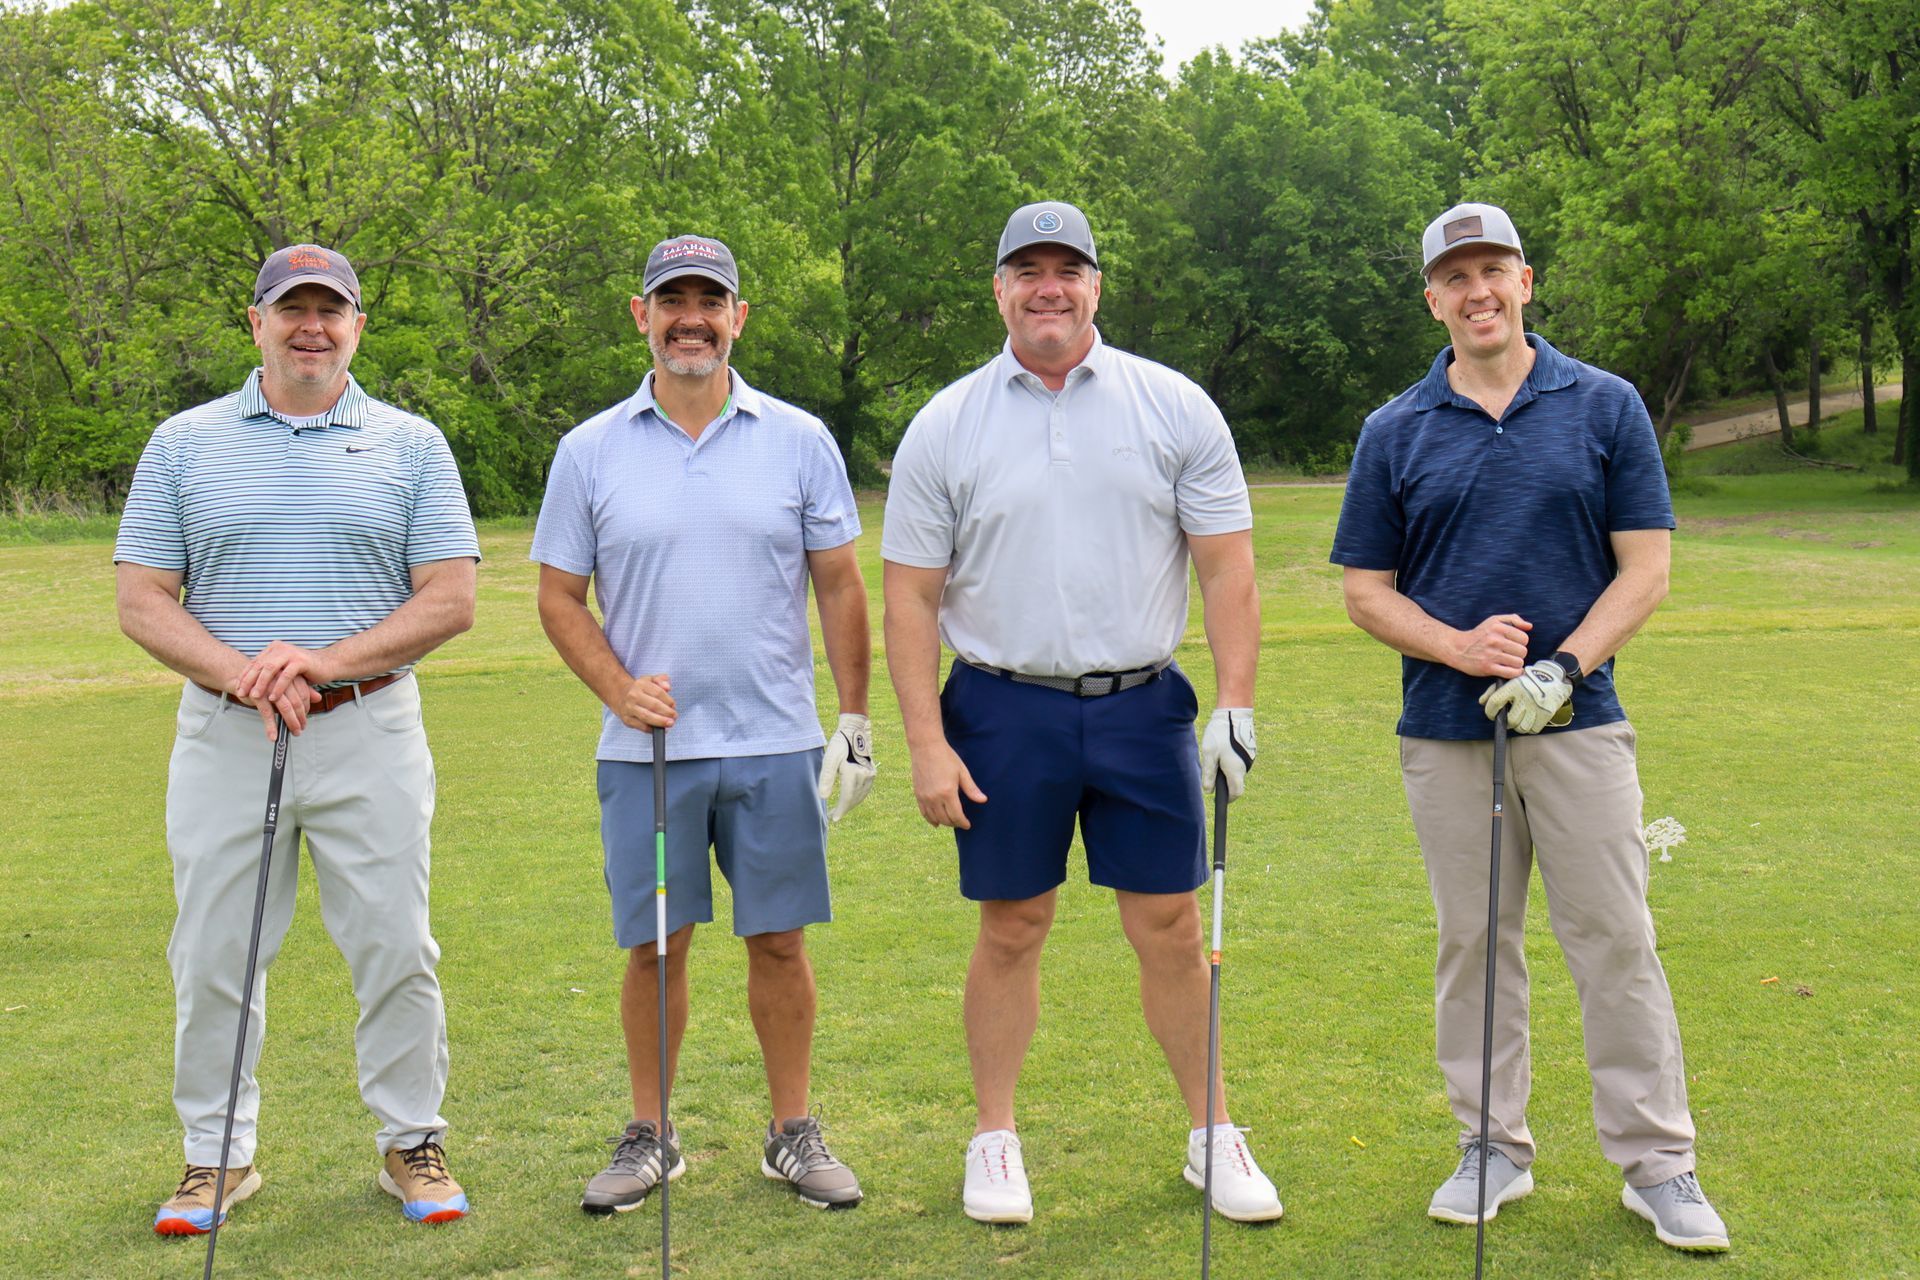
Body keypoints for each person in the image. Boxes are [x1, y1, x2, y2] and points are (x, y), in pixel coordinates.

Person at [1330, 202, 1729, 1252]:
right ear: (1433, 297)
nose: (1478, 292)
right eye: (1456, 276)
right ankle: (1490, 1144)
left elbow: (1646, 567)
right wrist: (1460, 647)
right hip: (1445, 733)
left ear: (1527, 279)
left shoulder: (1603, 405)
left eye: (1493, 270)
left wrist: (1563, 664)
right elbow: (1366, 590)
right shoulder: (1395, 428)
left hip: (1580, 723)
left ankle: (1658, 1163)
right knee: (1476, 943)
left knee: (1616, 937)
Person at [881, 201, 1282, 1226]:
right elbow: (911, 593)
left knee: (1170, 925)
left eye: (1069, 268)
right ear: (1000, 289)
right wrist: (925, 740)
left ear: (1097, 284)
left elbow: (1228, 568)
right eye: (1029, 270)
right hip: (1001, 710)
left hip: (1142, 705)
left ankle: (1212, 1131)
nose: (1049, 287)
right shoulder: (949, 422)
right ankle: (995, 1136)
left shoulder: (1173, 406)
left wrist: (1236, 700)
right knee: (1012, 923)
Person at [115, 244, 480, 1233]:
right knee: (213, 949)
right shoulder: (183, 442)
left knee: (397, 943)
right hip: (228, 729)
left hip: (369, 722)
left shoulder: (411, 443)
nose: (311, 326)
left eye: (331, 309)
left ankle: (411, 1142)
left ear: (358, 325)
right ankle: (215, 1156)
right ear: (257, 323)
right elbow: (142, 599)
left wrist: (323, 660)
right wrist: (241, 670)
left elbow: (451, 598)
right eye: (292, 309)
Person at [532, 234, 874, 1213]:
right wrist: (616, 685)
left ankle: (793, 1129)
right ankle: (651, 1132)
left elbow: (840, 582)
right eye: (670, 299)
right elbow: (558, 597)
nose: (691, 316)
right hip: (648, 752)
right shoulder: (589, 449)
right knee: (656, 944)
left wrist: (852, 719)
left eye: (709, 300)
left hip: (773, 740)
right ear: (640, 314)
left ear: (738, 316)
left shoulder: (800, 438)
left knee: (780, 940)